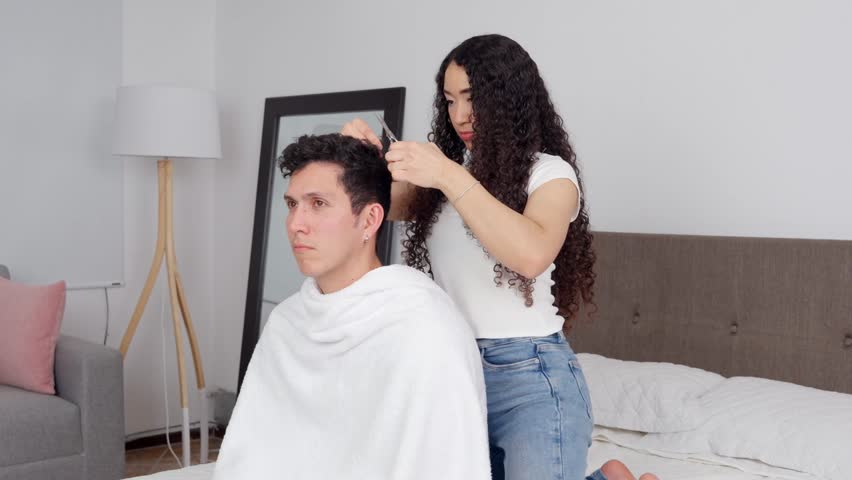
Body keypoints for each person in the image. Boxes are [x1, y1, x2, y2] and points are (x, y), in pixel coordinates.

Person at [342, 34, 658, 480]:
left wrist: (448, 175)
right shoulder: (446, 181)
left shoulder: (550, 174)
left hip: (531, 374)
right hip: (454, 372)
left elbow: (529, 254)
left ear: (508, 98)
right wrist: (358, 159)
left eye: (472, 99)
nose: (459, 116)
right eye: (450, 101)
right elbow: (377, 206)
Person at [212, 134, 492, 480]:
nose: (296, 224)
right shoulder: (288, 321)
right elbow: (254, 451)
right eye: (291, 204)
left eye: (318, 204)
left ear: (370, 220)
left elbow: (439, 460)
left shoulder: (422, 326)